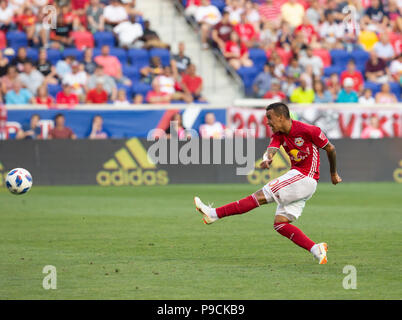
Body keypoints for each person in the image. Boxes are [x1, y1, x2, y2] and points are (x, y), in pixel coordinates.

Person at [194, 102, 342, 264]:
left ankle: (213, 214)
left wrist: (333, 173)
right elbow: (271, 150)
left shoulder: (309, 130)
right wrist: (267, 159)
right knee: (280, 224)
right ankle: (316, 249)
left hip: (305, 177)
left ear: (280, 117)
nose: (268, 122)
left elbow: (331, 149)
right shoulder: (279, 134)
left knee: (260, 196)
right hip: (300, 181)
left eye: (269, 118)